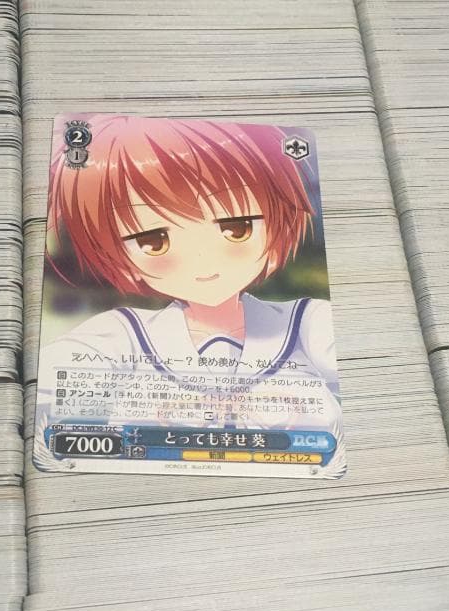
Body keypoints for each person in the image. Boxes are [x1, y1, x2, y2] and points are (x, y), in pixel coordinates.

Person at [34, 115, 344, 475]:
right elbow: (54, 386)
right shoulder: (123, 333)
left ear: (277, 231)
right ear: (122, 259)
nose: (202, 260)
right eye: (154, 241)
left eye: (237, 229)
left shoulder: (306, 323)